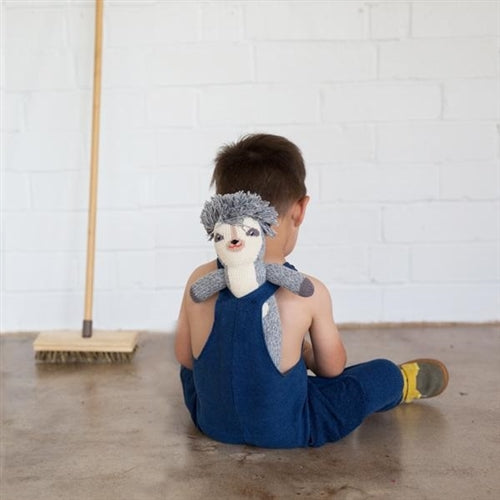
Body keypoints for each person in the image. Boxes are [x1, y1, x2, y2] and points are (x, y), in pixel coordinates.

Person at [175, 133, 448, 448]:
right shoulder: (308, 292)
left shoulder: (199, 279)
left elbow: (185, 357)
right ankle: (399, 381)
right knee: (361, 383)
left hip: (211, 421)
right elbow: (331, 368)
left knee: (199, 372)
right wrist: (304, 353)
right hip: (286, 430)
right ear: (299, 210)